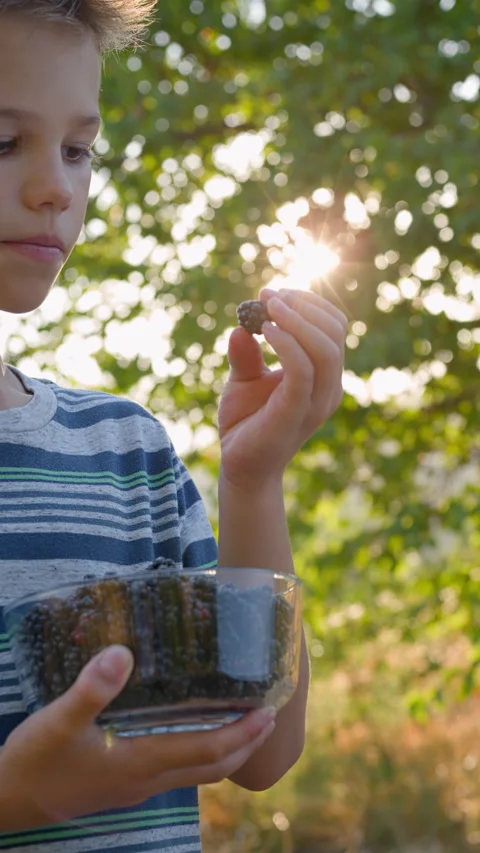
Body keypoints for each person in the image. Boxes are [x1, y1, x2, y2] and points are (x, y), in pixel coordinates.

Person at [0, 0, 347, 849]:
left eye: (79, 150)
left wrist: (254, 479)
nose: (56, 185)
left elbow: (263, 749)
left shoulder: (127, 450)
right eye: (3, 141)